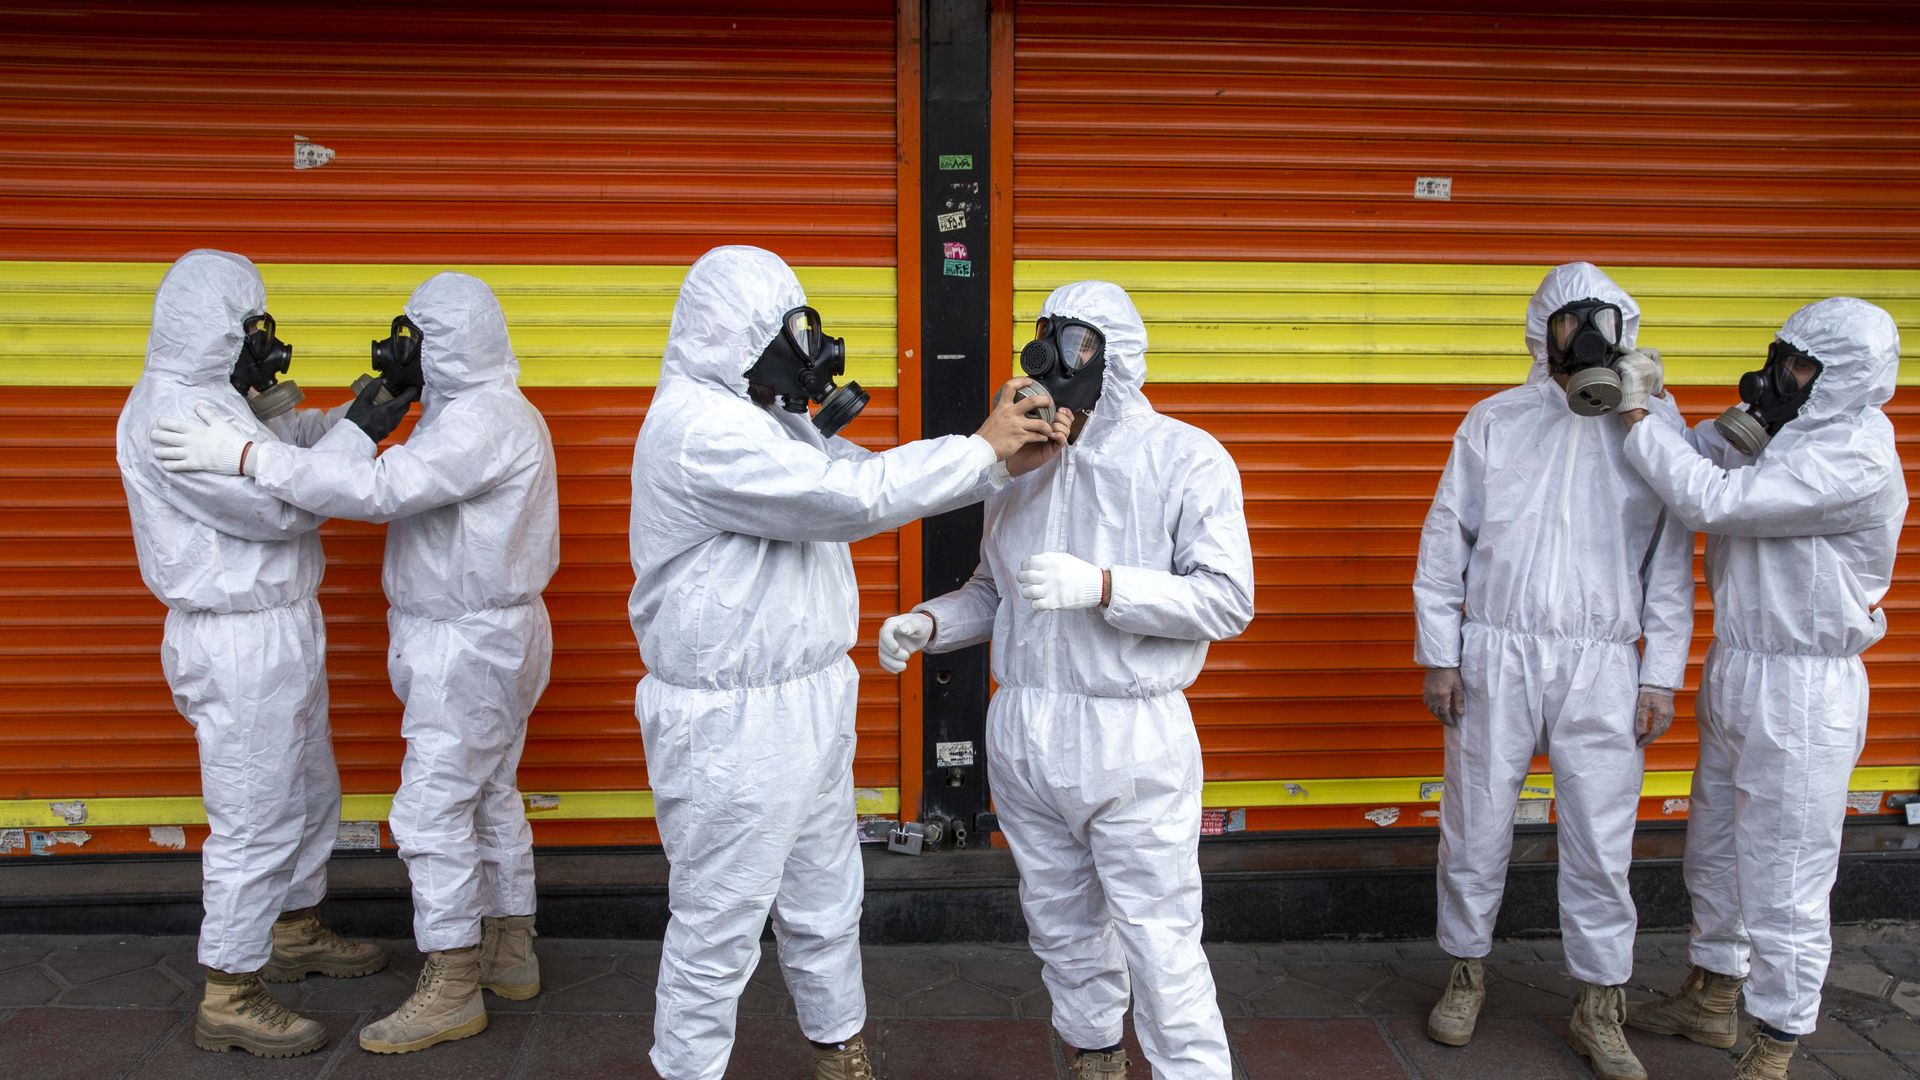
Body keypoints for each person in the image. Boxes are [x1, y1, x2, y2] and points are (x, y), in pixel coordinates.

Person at [626, 244, 1062, 1080]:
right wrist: (981, 446)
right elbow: (850, 501)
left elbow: (865, 472)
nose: (806, 348)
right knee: (718, 924)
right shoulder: (698, 428)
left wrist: (1000, 468)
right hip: (732, 723)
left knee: (826, 897)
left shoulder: (763, 415)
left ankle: (840, 1051)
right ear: (730, 335)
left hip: (809, 701)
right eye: (786, 331)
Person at [151, 271, 555, 1056]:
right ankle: (508, 953)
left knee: (433, 809)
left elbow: (373, 489)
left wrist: (245, 451)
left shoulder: (477, 421)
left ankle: (454, 983)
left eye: (414, 338)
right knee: (479, 791)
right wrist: (322, 422)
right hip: (477, 633)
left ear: (441, 344)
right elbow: (309, 464)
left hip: (463, 642)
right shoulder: (489, 408)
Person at [878, 281, 1254, 1079]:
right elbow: (994, 592)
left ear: (1115, 355)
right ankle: (1095, 1057)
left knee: (1159, 938)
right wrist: (931, 623)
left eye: (1075, 345)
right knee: (1059, 925)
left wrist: (1107, 587)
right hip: (1025, 734)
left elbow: (1226, 600)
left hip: (1130, 735)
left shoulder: (1185, 458)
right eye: (1046, 341)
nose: (1054, 363)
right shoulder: (1025, 463)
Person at [1411, 262, 1695, 1080]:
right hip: (1496, 650)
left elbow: (1670, 563)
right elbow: (1446, 540)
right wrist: (1441, 655)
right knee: (1477, 822)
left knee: (1604, 839)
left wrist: (1659, 675)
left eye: (1601, 322)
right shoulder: (1497, 420)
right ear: (1544, 331)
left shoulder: (1651, 428)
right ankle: (1465, 971)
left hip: (1605, 660)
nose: (1586, 340)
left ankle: (1600, 1004)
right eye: (1570, 324)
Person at [1614, 298, 1906, 1080]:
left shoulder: (1853, 454)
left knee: (1786, 872)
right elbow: (1699, 451)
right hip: (1741, 663)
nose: (1780, 378)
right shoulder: (1793, 430)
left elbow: (1713, 500)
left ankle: (1777, 1037)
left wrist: (1642, 414)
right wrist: (1654, 394)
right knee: (1715, 849)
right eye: (1782, 359)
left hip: (1804, 687)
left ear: (1843, 379)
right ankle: (1712, 997)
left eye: (1800, 368)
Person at [117, 249, 386, 1059]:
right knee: (253, 809)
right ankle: (231, 989)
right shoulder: (171, 413)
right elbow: (279, 507)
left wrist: (355, 413)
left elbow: (284, 443)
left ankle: (293, 929)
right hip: (234, 636)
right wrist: (363, 439)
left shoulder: (213, 399)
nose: (261, 341)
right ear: (212, 327)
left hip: (278, 624)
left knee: (306, 788)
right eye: (249, 326)